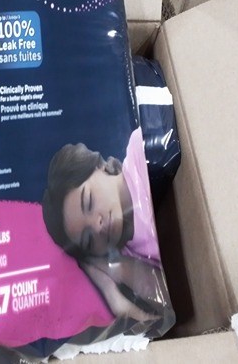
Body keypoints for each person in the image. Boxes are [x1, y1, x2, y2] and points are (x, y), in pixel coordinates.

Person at [42, 127, 169, 325]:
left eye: (89, 202)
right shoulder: (130, 256)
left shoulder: (142, 149)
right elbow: (173, 297)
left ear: (98, 166)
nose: (97, 226)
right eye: (89, 239)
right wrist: (110, 288)